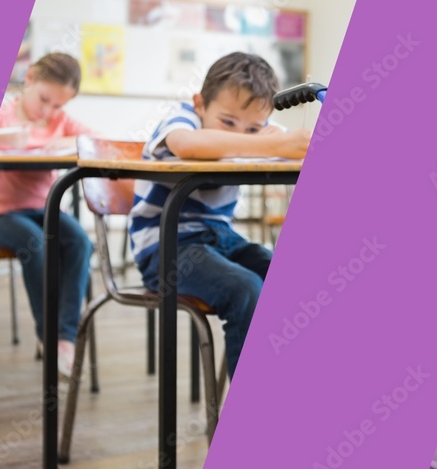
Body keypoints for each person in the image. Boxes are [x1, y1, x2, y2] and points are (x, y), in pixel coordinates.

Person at [129, 52, 310, 379]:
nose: (242, 133)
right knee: (244, 288)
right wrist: (267, 143)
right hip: (166, 248)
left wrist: (275, 140)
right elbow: (187, 144)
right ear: (200, 103)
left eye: (253, 127)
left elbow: (289, 145)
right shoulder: (182, 118)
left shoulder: (265, 132)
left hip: (222, 240)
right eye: (227, 122)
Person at [0, 53, 94, 378]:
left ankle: (65, 338)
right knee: (35, 244)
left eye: (59, 106)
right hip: (3, 215)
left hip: (44, 210)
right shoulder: (1, 113)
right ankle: (46, 334)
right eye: (45, 99)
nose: (48, 111)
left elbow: (95, 139)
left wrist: (58, 141)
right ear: (29, 78)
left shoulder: (60, 122)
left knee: (79, 242)